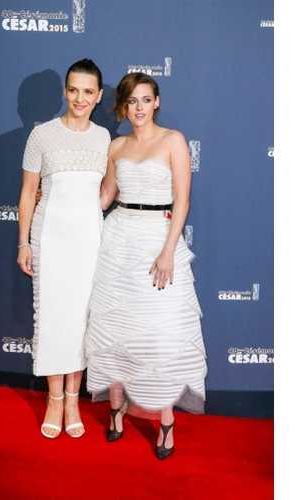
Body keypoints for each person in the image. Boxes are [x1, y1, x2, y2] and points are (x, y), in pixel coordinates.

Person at [85, 72, 207, 459]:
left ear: (157, 102)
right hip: (118, 239)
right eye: (132, 101)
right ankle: (116, 410)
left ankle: (166, 420)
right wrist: (62, 199)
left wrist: (168, 250)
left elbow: (182, 200)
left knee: (159, 335)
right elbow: (105, 197)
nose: (139, 108)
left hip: (158, 238)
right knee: (115, 328)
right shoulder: (117, 145)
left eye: (145, 99)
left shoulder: (174, 141)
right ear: (124, 106)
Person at [17, 59, 110, 439]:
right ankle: (54, 399)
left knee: (82, 321)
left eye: (88, 92)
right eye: (73, 90)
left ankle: (74, 398)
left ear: (99, 96)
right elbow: (28, 193)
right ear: (65, 92)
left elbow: (107, 191)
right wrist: (23, 242)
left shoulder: (105, 138)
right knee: (53, 318)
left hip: (90, 241)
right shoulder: (41, 136)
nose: (80, 98)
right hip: (50, 238)